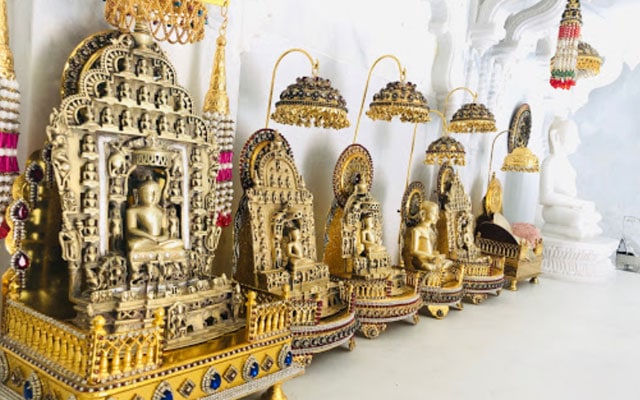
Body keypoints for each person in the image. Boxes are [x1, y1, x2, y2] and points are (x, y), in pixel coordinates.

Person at [540, 117, 602, 240]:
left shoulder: (567, 164)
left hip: (568, 208)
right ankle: (558, 229)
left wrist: (581, 205)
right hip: (551, 210)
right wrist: (578, 203)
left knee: (595, 216)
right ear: (557, 137)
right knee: (578, 219)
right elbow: (545, 197)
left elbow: (571, 195)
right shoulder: (550, 162)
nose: (578, 141)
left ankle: (576, 230)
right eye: (574, 136)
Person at [126, 180, 183, 251]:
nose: (154, 196)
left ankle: (157, 247)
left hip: (160, 241)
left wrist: (164, 237)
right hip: (146, 240)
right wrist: (150, 237)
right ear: (139, 194)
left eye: (157, 193)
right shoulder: (133, 211)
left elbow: (164, 229)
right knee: (133, 245)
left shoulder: (161, 211)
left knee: (180, 242)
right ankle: (158, 247)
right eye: (150, 193)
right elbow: (131, 229)